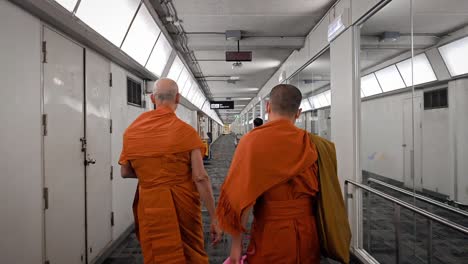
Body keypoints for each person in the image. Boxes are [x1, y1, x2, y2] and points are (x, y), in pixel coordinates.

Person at [217, 84, 350, 263]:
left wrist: (235, 249)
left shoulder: (252, 142)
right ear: (298, 112)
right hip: (308, 232)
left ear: (268, 107)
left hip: (271, 232)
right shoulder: (316, 145)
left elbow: (242, 200)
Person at [119, 78, 222, 264]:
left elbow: (125, 172)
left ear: (152, 98)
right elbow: (200, 177)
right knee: (189, 250)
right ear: (178, 98)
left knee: (156, 251)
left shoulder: (132, 131)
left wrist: (153, 176)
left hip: (149, 202)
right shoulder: (186, 132)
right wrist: (214, 218)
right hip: (182, 201)